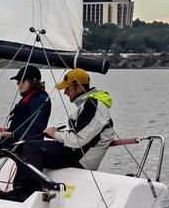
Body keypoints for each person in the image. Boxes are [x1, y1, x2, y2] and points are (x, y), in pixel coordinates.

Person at [6, 68, 114, 199]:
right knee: (29, 147)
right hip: (76, 153)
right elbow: (81, 135)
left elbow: (77, 140)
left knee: (32, 147)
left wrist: (56, 134)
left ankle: (29, 194)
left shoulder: (93, 105)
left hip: (82, 159)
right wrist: (57, 134)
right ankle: (19, 190)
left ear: (79, 88)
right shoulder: (88, 104)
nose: (65, 92)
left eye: (67, 88)